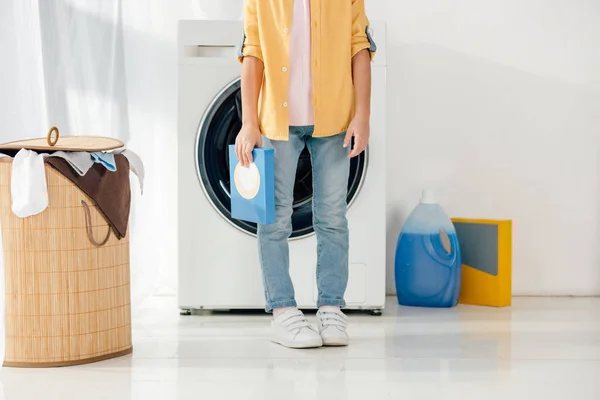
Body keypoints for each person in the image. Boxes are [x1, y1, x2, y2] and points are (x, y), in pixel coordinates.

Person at [236, 0, 376, 349]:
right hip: (275, 123)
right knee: (275, 220)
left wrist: (363, 116)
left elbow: (359, 48)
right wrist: (249, 124)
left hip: (335, 122)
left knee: (332, 217)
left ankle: (331, 307)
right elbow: (252, 54)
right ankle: (282, 311)